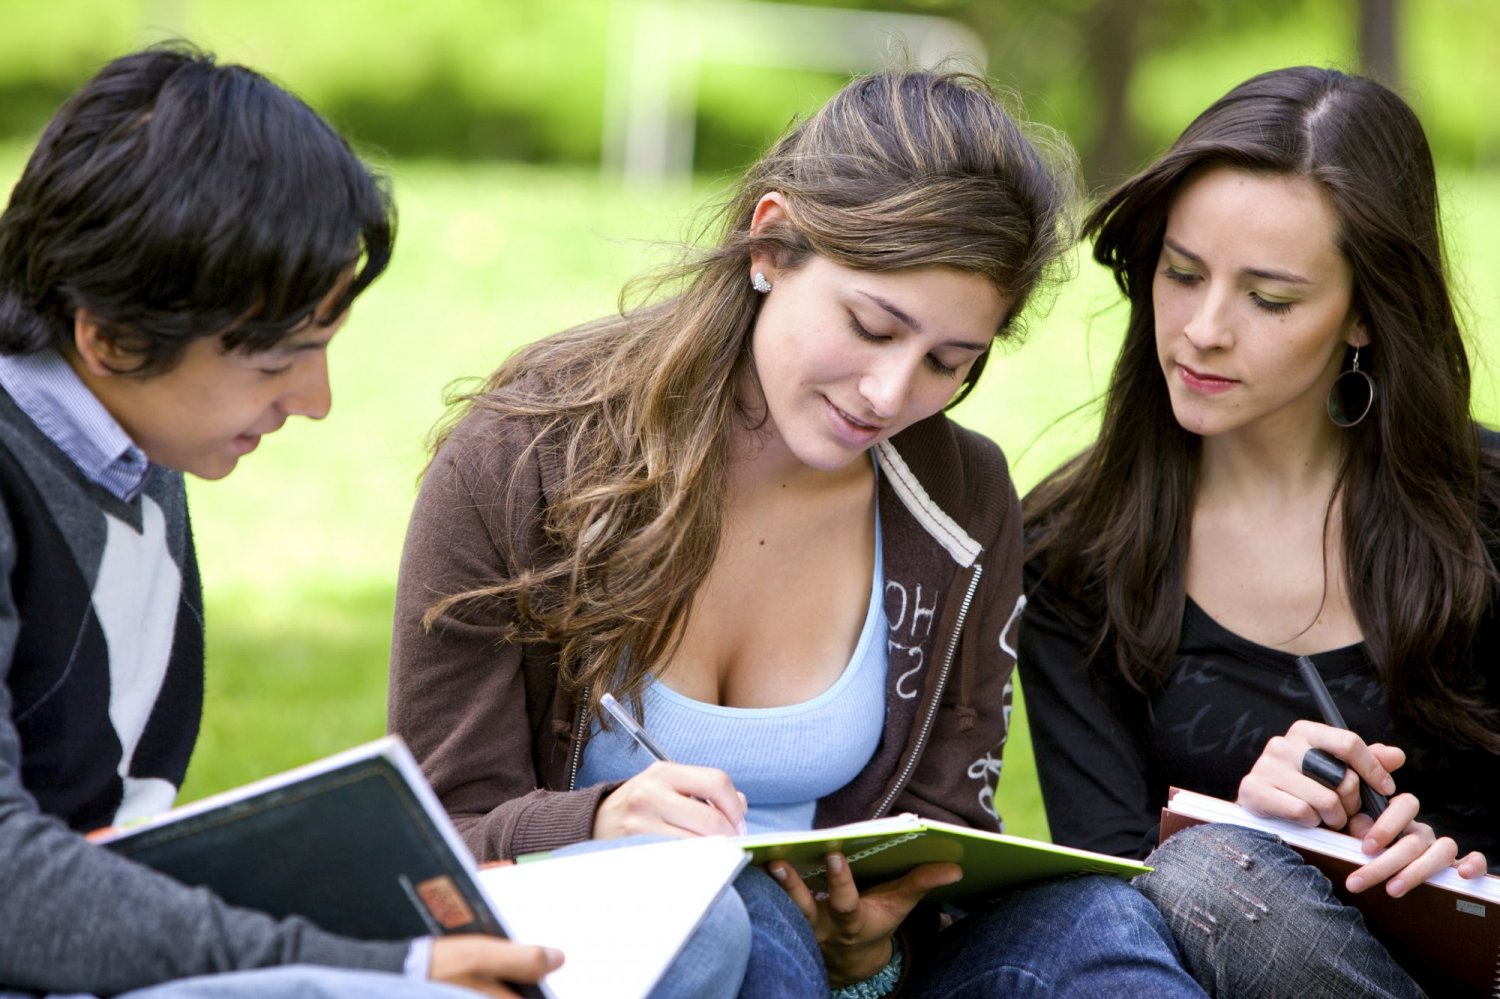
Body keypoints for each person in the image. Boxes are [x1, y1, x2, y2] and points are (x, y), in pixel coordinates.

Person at [389, 67, 1206, 998]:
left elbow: (943, 824)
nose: (890, 395)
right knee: (736, 911)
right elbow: (432, 829)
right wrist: (597, 820)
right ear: (772, 243)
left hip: (851, 976)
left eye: (949, 361)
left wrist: (876, 941)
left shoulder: (962, 496)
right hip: (601, 954)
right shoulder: (525, 456)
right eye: (869, 325)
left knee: (1097, 924)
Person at [0, 44, 567, 998]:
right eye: (277, 363)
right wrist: (373, 966)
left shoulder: (132, 447)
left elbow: (102, 826)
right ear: (106, 335)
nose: (317, 400)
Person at [1019, 65, 1500, 998]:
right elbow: (1097, 906)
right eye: (1182, 272)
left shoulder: (1485, 515)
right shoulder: (1076, 551)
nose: (1201, 329)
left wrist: (1452, 859)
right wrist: (1248, 831)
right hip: (1239, 962)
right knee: (1208, 875)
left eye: (1269, 299)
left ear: (1365, 312)